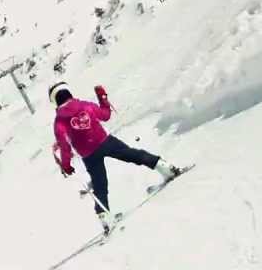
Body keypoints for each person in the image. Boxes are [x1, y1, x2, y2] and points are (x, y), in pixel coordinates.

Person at [50, 81, 183, 230]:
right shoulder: (85, 105)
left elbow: (64, 146)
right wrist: (102, 99)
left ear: (54, 100)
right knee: (132, 154)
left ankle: (104, 216)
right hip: (105, 141)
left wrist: (66, 166)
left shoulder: (59, 121)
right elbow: (105, 116)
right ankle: (165, 168)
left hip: (88, 154)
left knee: (99, 184)